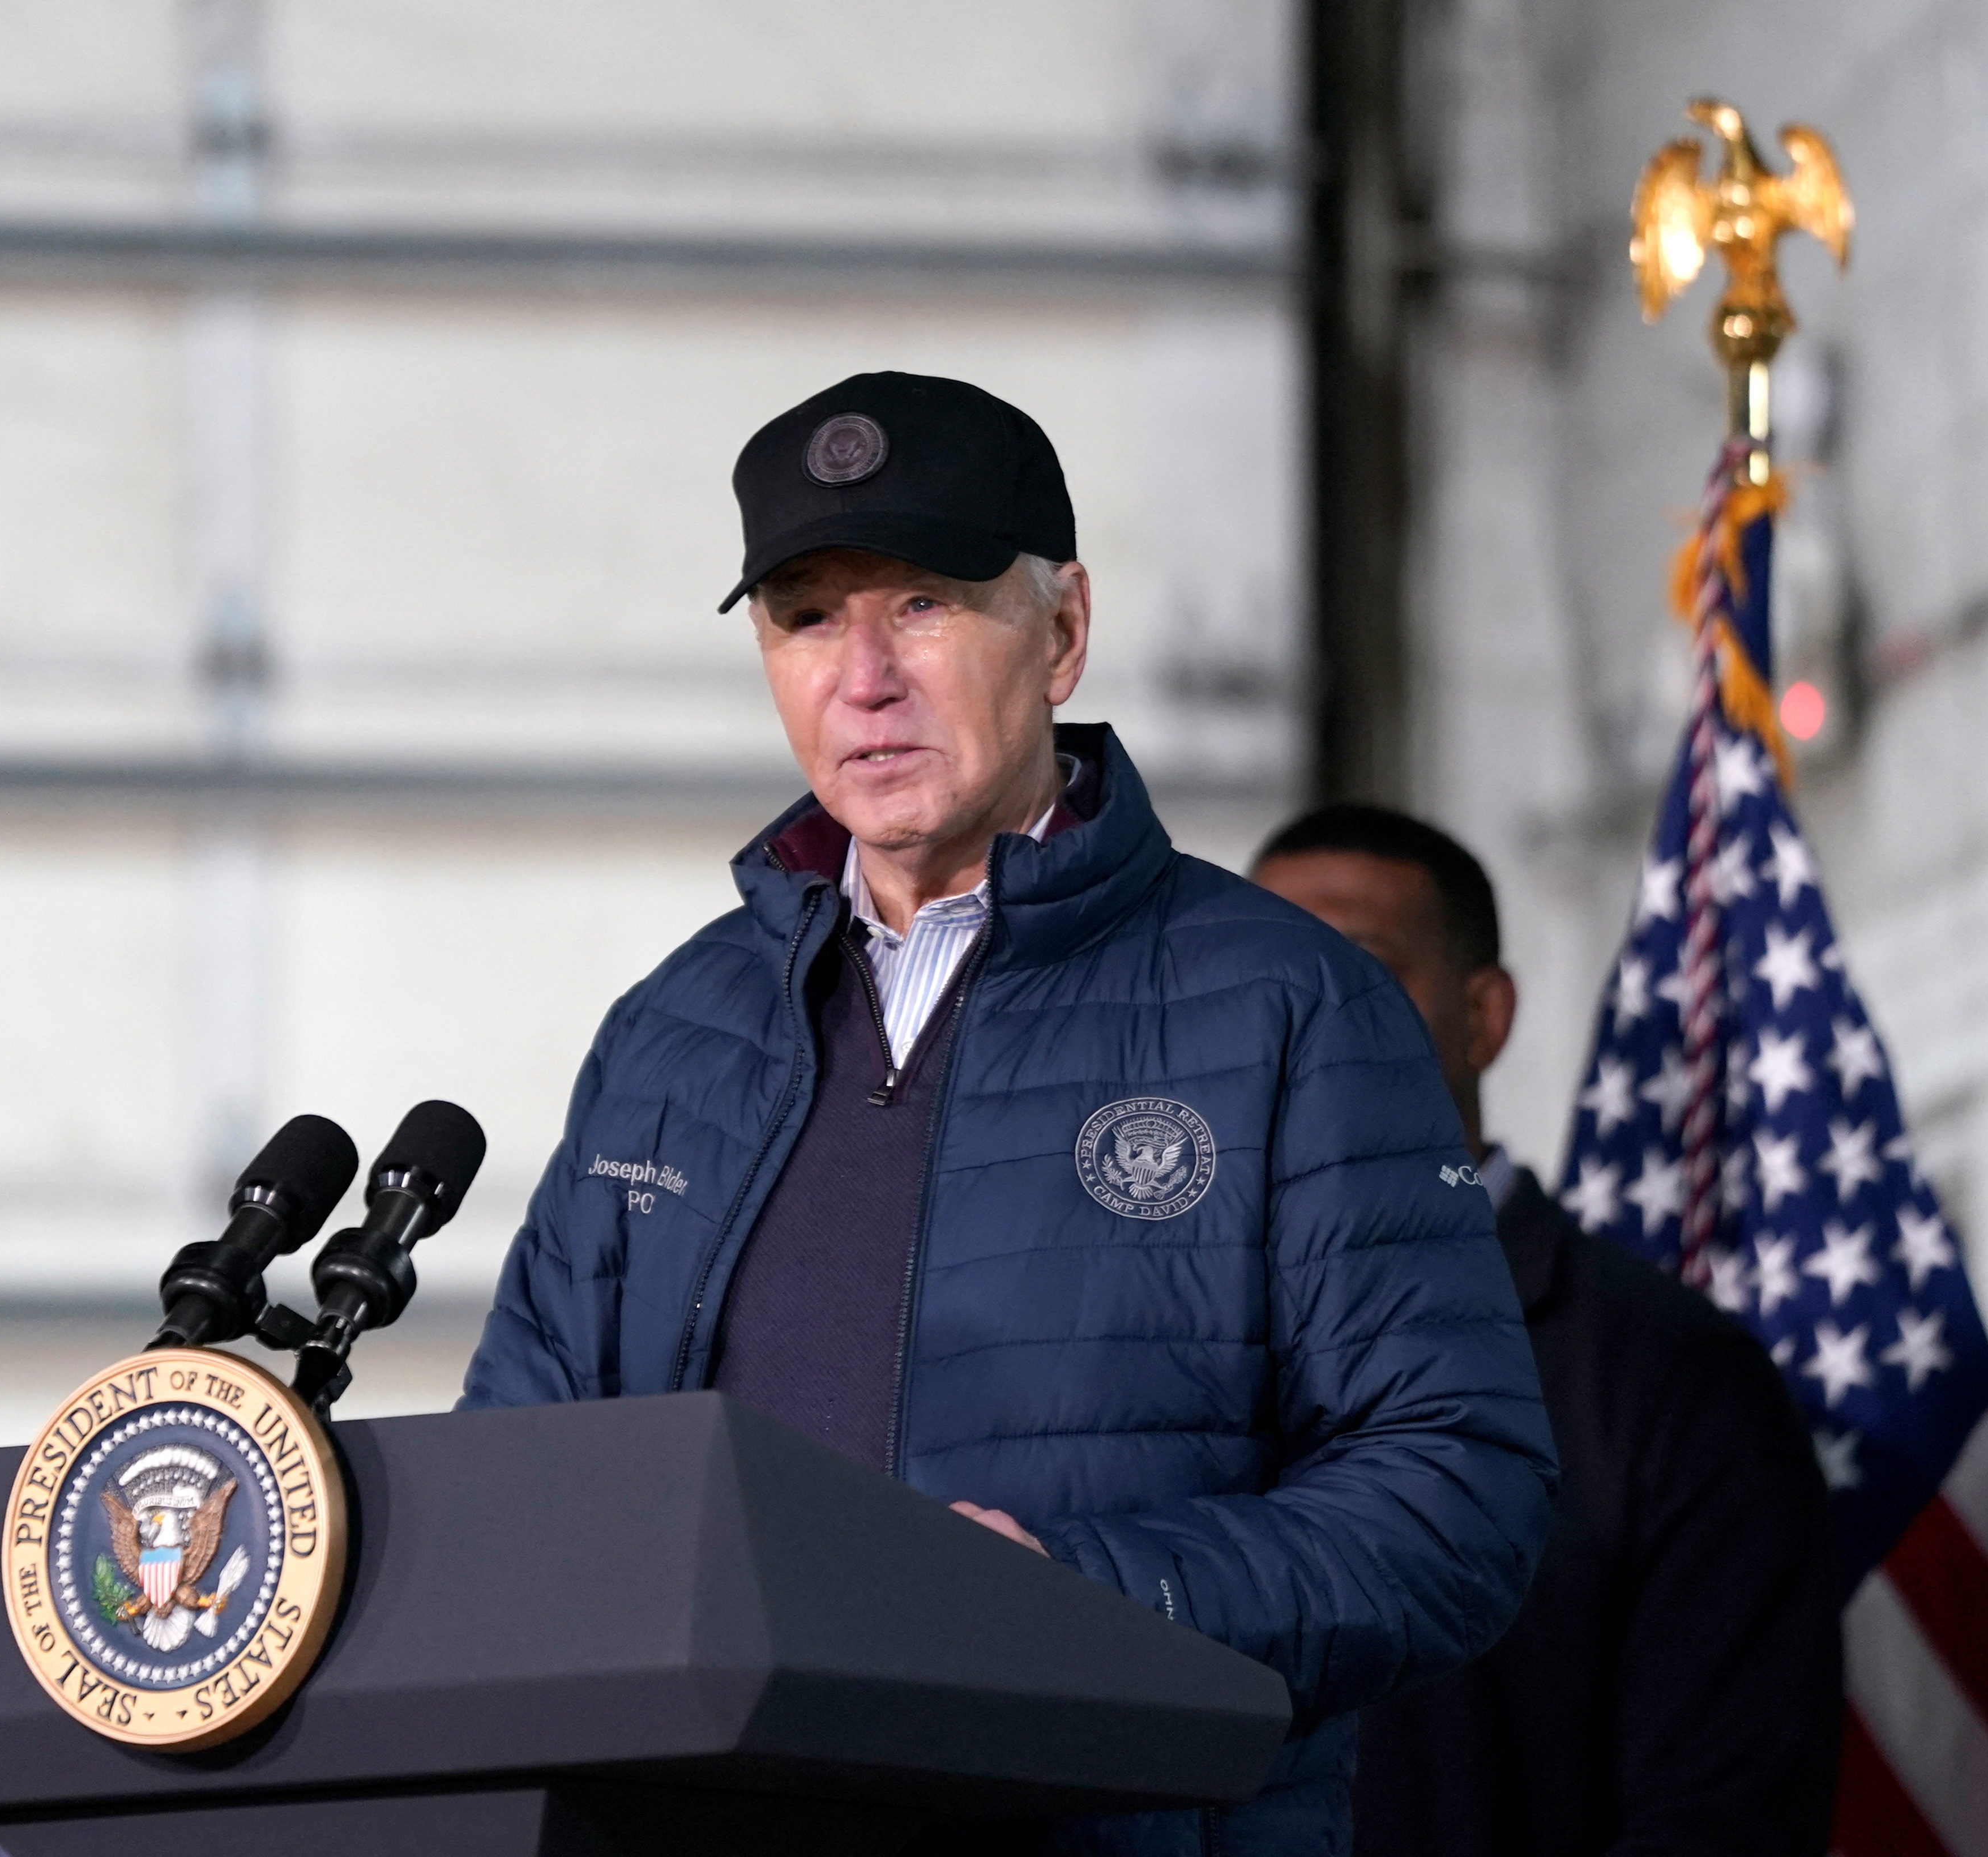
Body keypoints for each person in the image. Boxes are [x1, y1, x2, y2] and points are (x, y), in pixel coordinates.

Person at [459, 371, 1558, 1854]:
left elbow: (1457, 1493)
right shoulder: (670, 1037)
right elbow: (519, 1496)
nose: (864, 674)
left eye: (922, 603)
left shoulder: (1288, 1007)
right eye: (805, 617)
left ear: (1065, 631)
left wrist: (1077, 1590)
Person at [1251, 803, 1841, 1857]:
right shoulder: (1141, 1348)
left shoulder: (1670, 1378)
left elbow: (1723, 1815)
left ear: (1483, 1015)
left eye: (1358, 966)